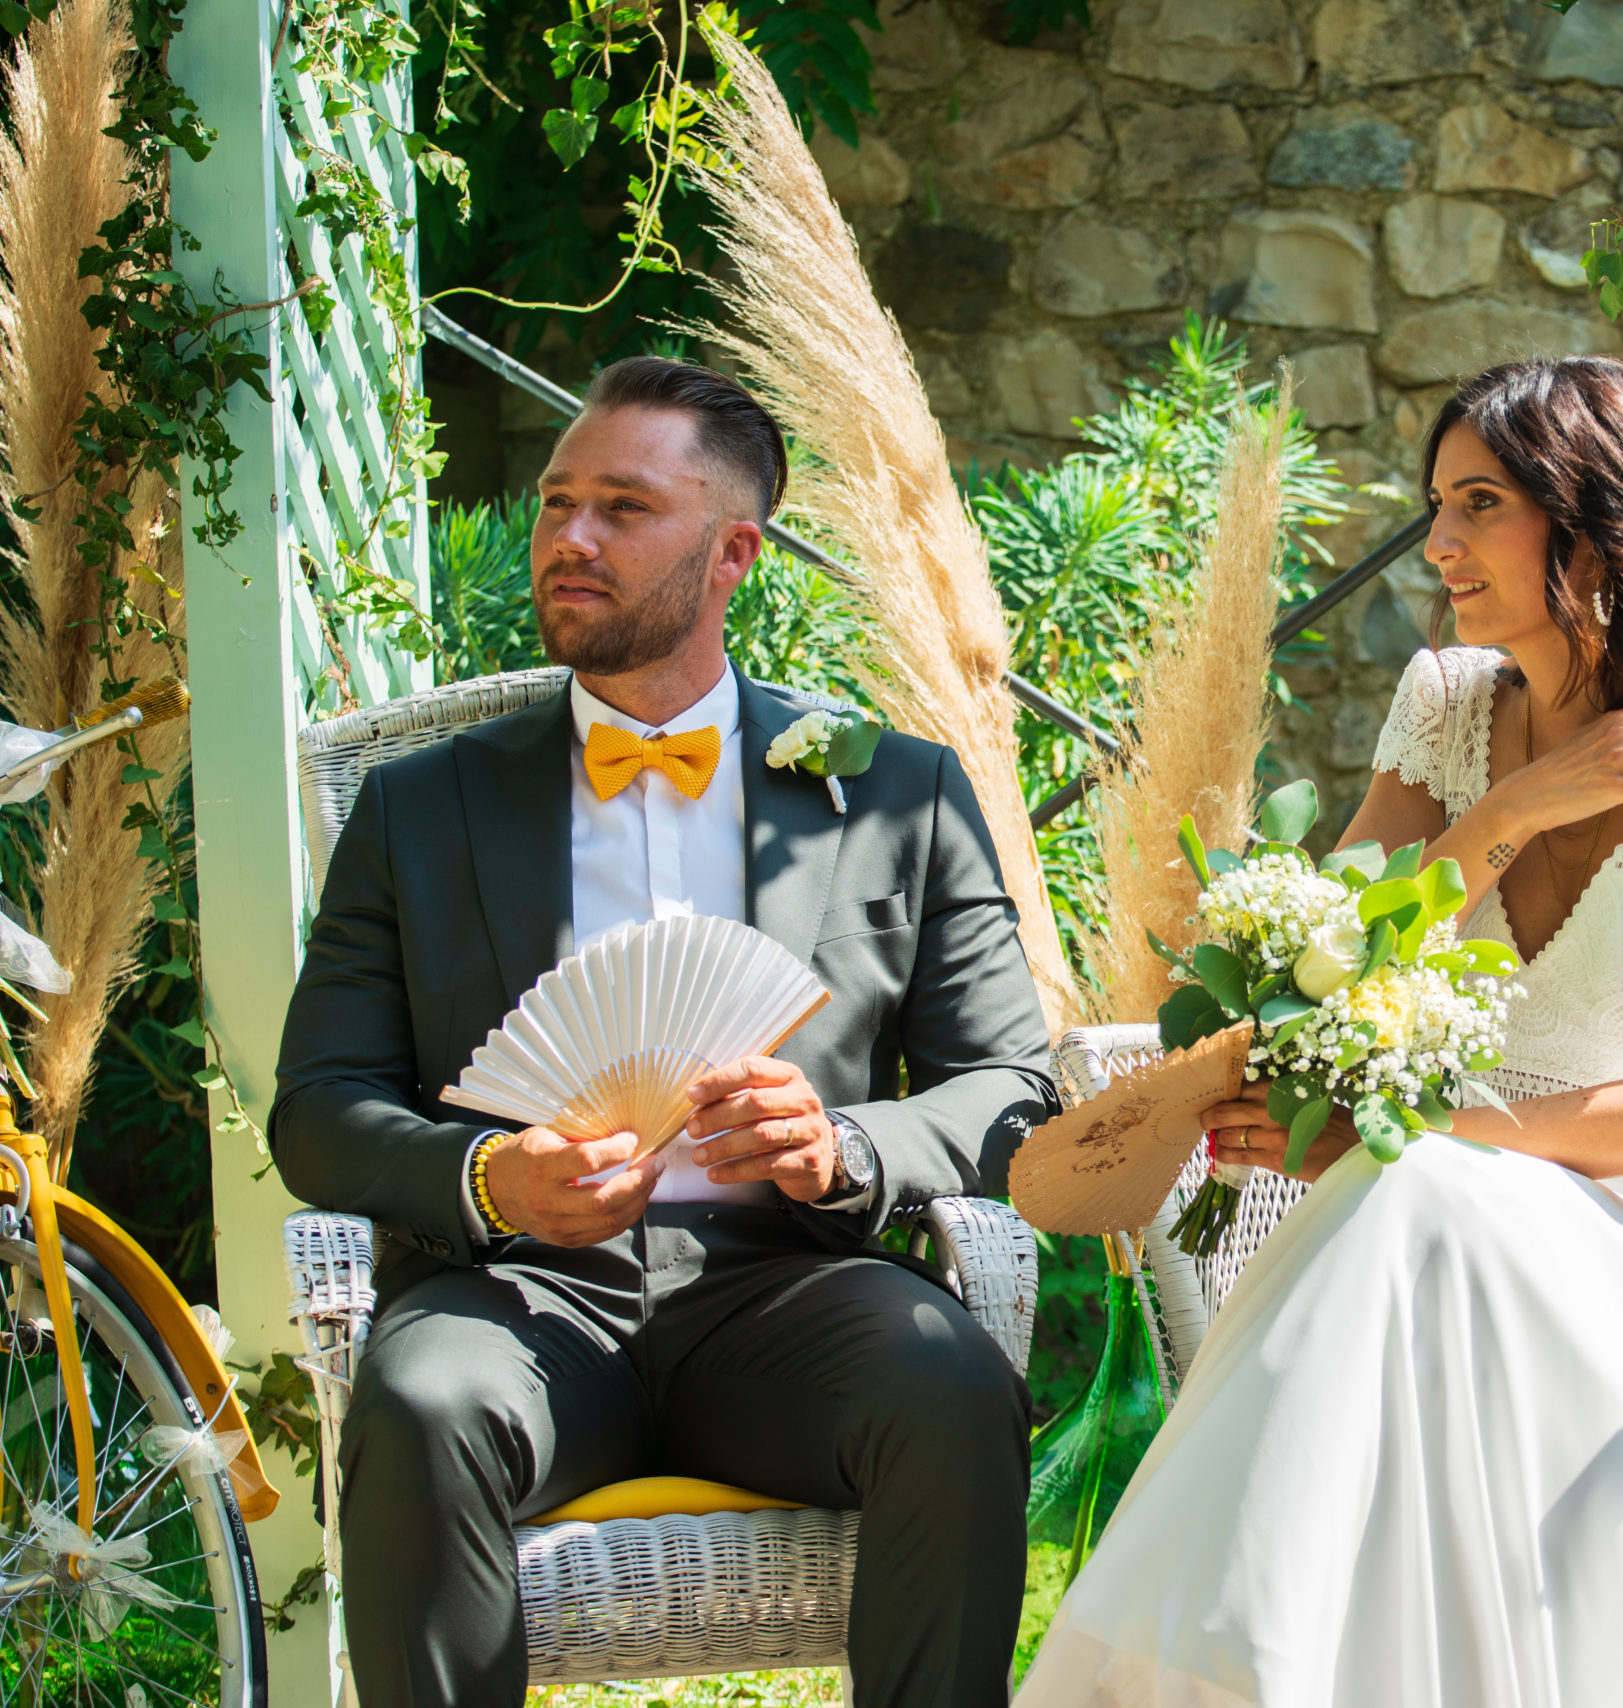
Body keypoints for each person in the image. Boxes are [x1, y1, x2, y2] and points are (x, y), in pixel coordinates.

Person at [1019, 357, 1623, 1708]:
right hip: (1433, 1204)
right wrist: (1514, 810)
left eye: (1481, 504)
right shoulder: (1446, 707)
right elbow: (1328, 974)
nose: (1439, 542)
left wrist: (1420, 1130)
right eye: (1437, 503)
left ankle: (1230, 1675)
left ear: (1597, 524)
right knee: (1411, 1204)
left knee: (1408, 1194)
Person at [271, 357, 1055, 1708]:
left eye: (624, 508)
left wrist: (844, 1147)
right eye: (557, 502)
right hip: (518, 1295)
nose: (570, 537)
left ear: (734, 551)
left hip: (786, 1292)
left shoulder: (898, 793)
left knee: (949, 1386)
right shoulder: (418, 807)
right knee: (421, 1400)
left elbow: (1010, 1086)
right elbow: (320, 1108)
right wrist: (487, 1178)